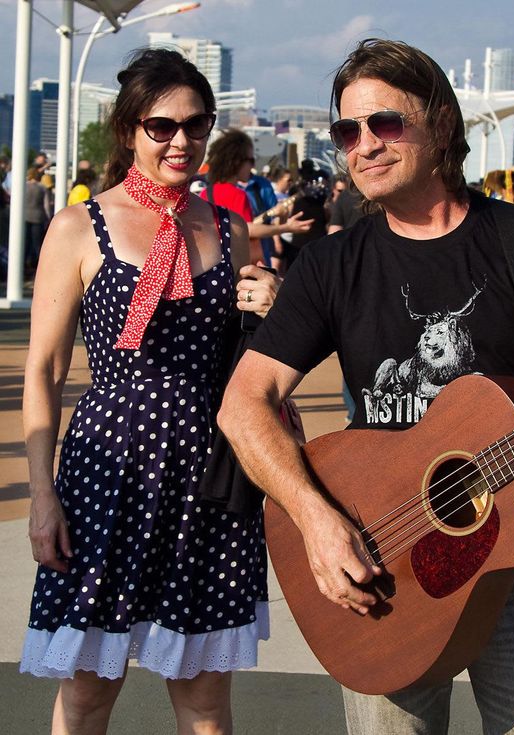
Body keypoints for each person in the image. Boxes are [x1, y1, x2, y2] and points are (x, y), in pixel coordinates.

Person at [217, 38, 514, 735]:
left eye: (385, 123)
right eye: (347, 130)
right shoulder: (331, 264)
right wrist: (317, 522)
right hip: (383, 565)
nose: (363, 144)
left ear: (442, 123)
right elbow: (243, 403)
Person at [20, 47, 277, 735]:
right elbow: (44, 370)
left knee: (205, 703)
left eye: (196, 125)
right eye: (162, 126)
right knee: (87, 693)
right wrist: (42, 495)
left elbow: (252, 364)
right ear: (131, 128)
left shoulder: (231, 227)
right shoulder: (78, 226)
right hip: (106, 471)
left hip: (210, 475)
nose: (182, 140)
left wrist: (268, 309)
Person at [201, 129, 312, 265]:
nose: (252, 166)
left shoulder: (206, 193)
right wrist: (287, 228)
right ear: (237, 162)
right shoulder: (238, 195)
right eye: (251, 160)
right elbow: (248, 230)